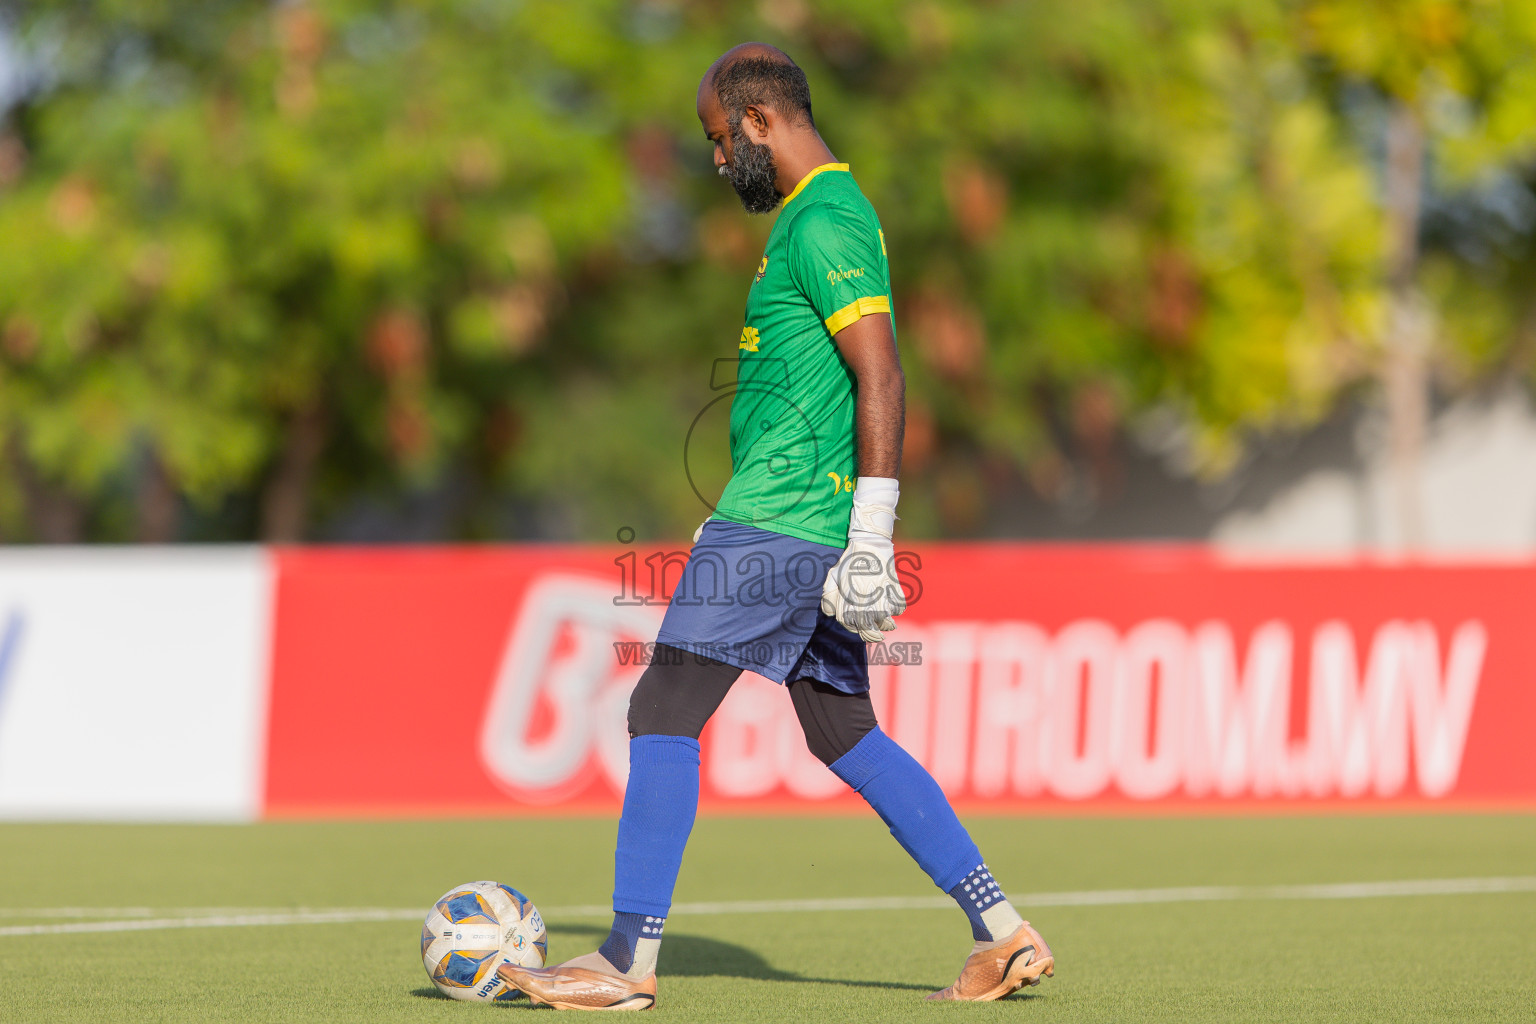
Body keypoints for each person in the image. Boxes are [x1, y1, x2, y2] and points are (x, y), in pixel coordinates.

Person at [498, 42, 1053, 1011]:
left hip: (780, 520)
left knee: (661, 709)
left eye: (720, 139)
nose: (716, 160)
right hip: (810, 524)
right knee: (842, 730)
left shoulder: (827, 218)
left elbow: (881, 371)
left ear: (761, 121)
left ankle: (625, 960)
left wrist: (873, 531)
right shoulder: (814, 217)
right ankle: (1000, 930)